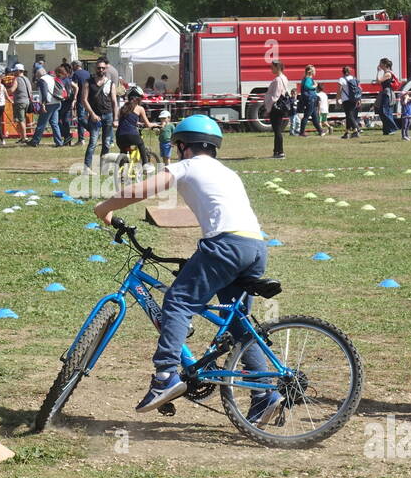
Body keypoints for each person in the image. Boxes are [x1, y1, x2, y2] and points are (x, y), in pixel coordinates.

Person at [92, 115, 281, 426]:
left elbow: (142, 190)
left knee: (178, 302)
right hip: (255, 246)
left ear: (183, 146)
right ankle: (264, 394)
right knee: (238, 325)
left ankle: (165, 375)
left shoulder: (188, 166)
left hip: (227, 245)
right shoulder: (228, 173)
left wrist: (105, 208)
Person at [81, 59, 118, 169]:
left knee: (106, 143)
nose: (101, 70)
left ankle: (104, 168)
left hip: (108, 115)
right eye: (99, 68)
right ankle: (87, 168)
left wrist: (116, 119)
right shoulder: (88, 82)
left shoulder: (111, 83)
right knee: (92, 143)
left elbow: (114, 102)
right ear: (95, 68)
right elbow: (84, 99)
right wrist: (91, 114)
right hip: (95, 116)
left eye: (103, 68)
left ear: (106, 69)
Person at [115, 87, 158, 167]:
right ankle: (145, 164)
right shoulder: (140, 108)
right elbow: (148, 125)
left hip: (119, 136)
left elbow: (126, 120)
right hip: (131, 135)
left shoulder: (123, 108)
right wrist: (156, 125)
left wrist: (136, 122)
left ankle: (121, 172)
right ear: (139, 98)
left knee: (123, 151)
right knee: (141, 144)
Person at [28, 64, 63, 147]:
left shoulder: (42, 80)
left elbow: (44, 92)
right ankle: (59, 142)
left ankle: (35, 141)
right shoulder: (51, 77)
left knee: (41, 123)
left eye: (35, 72)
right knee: (54, 123)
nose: (35, 75)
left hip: (48, 103)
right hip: (56, 102)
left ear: (38, 72)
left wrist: (43, 104)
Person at [263, 62, 292, 159]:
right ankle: (276, 151)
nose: (271, 69)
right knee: (277, 130)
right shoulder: (284, 78)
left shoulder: (278, 80)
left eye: (272, 67)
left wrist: (268, 109)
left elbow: (275, 96)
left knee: (277, 130)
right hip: (280, 107)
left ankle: (280, 152)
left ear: (277, 67)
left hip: (276, 108)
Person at [299, 65, 324, 136]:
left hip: (310, 99)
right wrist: (314, 86)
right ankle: (302, 132)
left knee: (314, 116)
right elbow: (307, 86)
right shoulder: (308, 79)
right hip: (310, 99)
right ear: (311, 72)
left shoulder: (306, 78)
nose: (315, 72)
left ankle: (320, 131)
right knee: (306, 116)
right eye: (314, 70)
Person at [339, 67, 362, 138]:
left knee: (349, 115)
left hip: (346, 100)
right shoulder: (354, 79)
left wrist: (337, 99)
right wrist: (359, 99)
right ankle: (347, 133)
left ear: (343, 72)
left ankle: (356, 130)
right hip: (354, 99)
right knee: (348, 115)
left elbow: (339, 90)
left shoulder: (342, 79)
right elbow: (360, 89)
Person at [10, 64, 31, 142]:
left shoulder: (17, 79)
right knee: (22, 119)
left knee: (21, 120)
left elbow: (12, 90)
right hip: (27, 101)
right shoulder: (27, 79)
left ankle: (24, 137)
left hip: (20, 102)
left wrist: (4, 90)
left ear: (18, 71)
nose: (13, 73)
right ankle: (22, 137)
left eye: (15, 71)